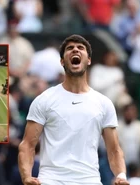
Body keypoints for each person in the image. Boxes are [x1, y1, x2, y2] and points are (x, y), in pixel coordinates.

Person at [18, 35, 129, 185]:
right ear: (62, 61)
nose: (75, 49)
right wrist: (26, 177)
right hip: (51, 181)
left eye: (80, 48)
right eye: (70, 48)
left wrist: (121, 175)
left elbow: (114, 150)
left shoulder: (104, 103)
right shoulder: (44, 100)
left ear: (88, 60)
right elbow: (27, 145)